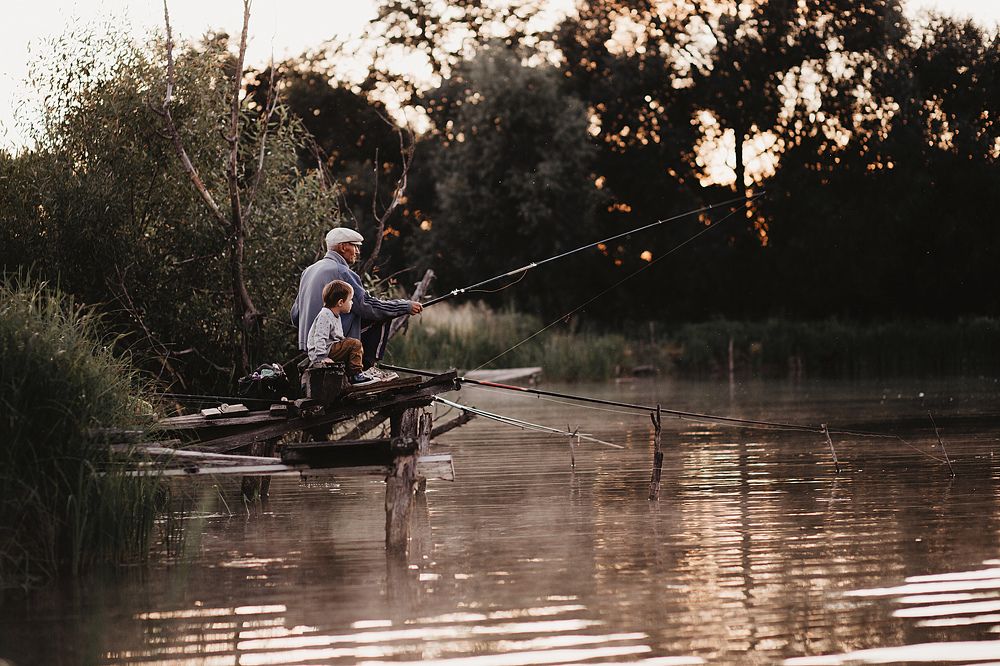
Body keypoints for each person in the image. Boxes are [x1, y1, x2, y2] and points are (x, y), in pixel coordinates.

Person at [291, 227, 423, 380]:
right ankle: (366, 368)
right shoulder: (342, 272)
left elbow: (295, 316)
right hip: (332, 345)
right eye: (355, 246)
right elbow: (368, 307)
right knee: (382, 316)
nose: (357, 251)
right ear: (343, 247)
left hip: (309, 346)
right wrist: (404, 306)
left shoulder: (308, 271)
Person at [306, 280, 376, 386]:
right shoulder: (325, 315)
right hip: (322, 351)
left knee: (351, 345)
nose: (352, 303)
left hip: (329, 348)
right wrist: (321, 357)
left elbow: (337, 337)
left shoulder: (335, 315)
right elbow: (319, 337)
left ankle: (351, 374)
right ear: (340, 302)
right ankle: (356, 374)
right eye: (350, 300)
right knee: (355, 344)